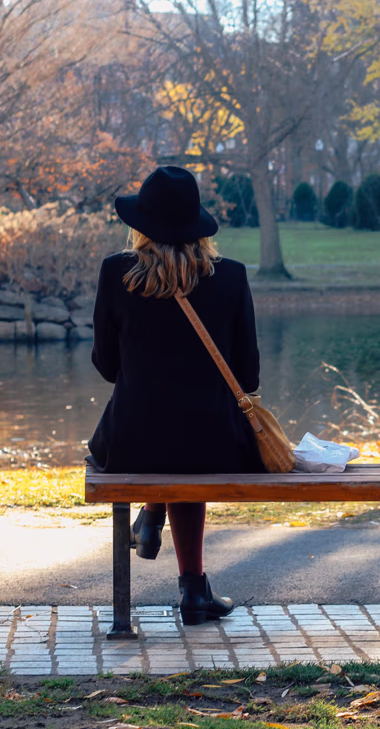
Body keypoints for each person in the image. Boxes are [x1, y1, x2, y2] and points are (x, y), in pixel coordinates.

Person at [87, 166, 263, 625]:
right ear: (196, 224)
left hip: (132, 440)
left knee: (168, 441)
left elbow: (106, 367)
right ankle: (192, 592)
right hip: (216, 443)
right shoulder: (231, 277)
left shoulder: (115, 273)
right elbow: (248, 376)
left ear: (140, 224)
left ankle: (152, 512)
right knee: (190, 446)